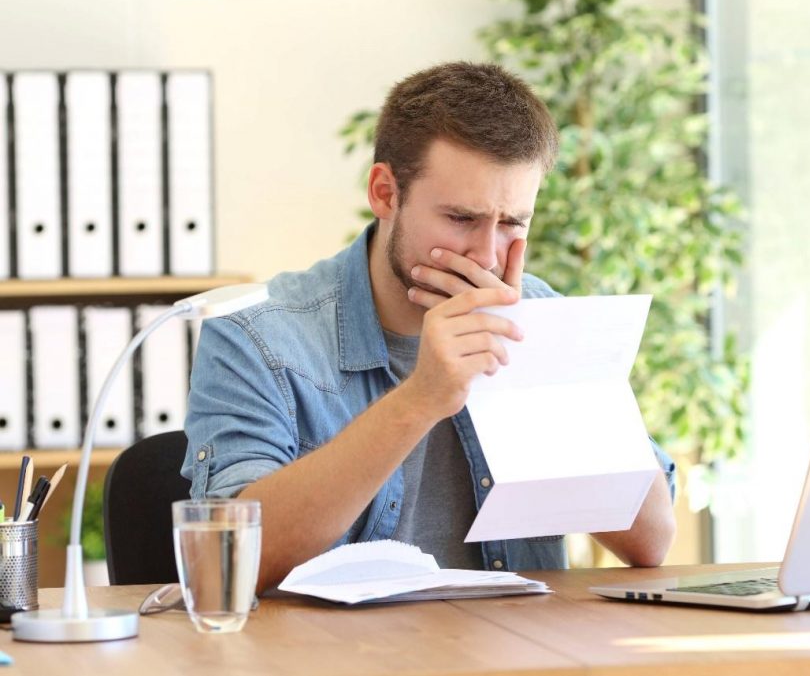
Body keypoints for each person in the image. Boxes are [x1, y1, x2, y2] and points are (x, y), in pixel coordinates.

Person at [183, 61, 677, 594]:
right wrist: (421, 398)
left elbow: (650, 542)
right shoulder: (256, 339)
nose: (487, 253)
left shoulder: (539, 315)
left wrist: (537, 362)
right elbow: (230, 563)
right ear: (385, 193)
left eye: (512, 223)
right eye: (461, 219)